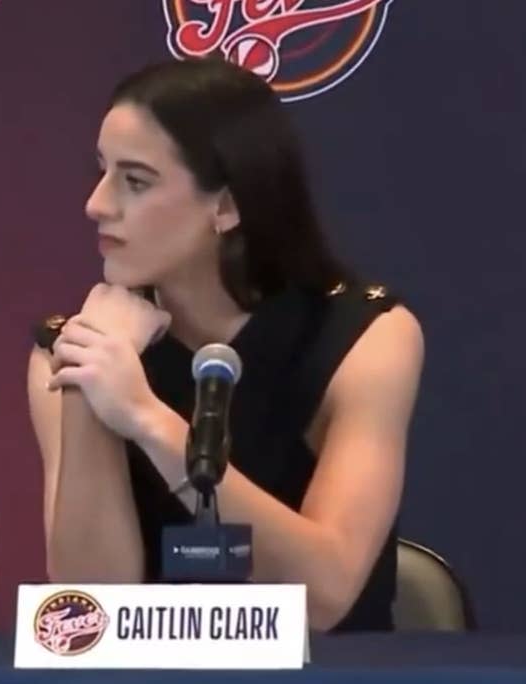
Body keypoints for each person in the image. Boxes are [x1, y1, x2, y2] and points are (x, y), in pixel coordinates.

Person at [27, 56, 424, 632]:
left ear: (227, 205)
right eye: (101, 172)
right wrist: (90, 386)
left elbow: (325, 596)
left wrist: (142, 416)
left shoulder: (366, 338)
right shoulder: (69, 349)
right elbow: (90, 618)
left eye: (134, 181)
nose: (96, 204)